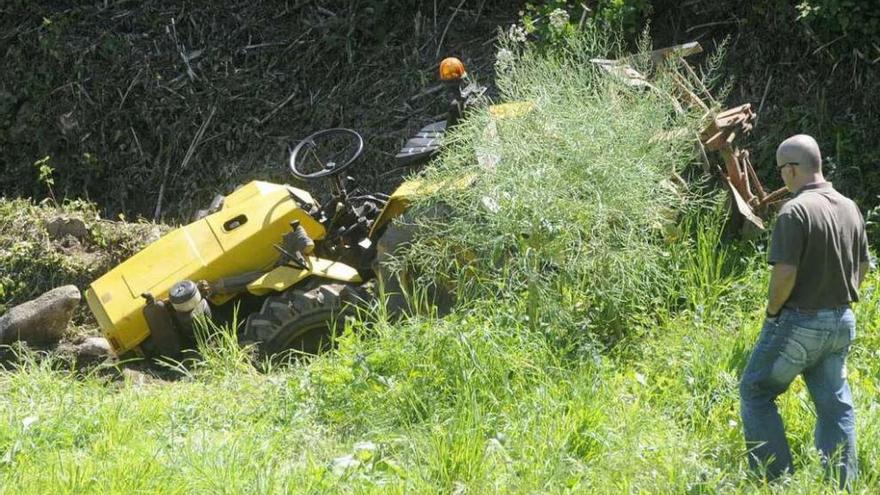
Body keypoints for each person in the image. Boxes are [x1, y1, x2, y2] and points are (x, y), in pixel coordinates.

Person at [739, 134, 870, 488]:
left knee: (756, 392)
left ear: (793, 169)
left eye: (782, 169)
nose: (782, 177)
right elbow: (862, 267)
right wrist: (841, 295)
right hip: (842, 320)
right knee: (836, 407)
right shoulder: (850, 207)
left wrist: (771, 312)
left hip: (799, 322)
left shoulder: (795, 211)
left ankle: (777, 481)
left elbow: (785, 274)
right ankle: (841, 485)